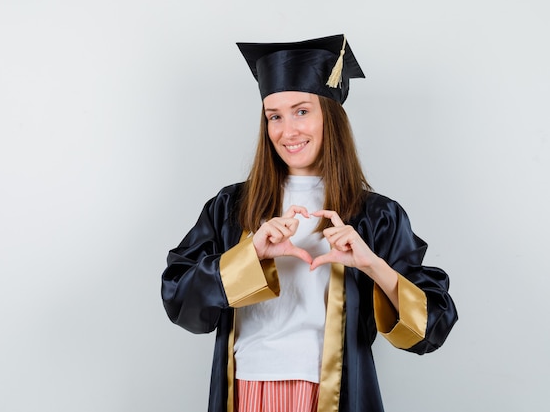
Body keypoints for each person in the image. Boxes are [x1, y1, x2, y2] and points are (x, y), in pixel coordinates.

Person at [161, 34, 457, 412]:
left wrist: (371, 264)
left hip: (333, 392)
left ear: (329, 116)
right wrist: (249, 254)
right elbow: (178, 299)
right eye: (275, 116)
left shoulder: (374, 215)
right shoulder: (232, 206)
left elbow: (432, 326)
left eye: (302, 111)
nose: (288, 131)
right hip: (247, 389)